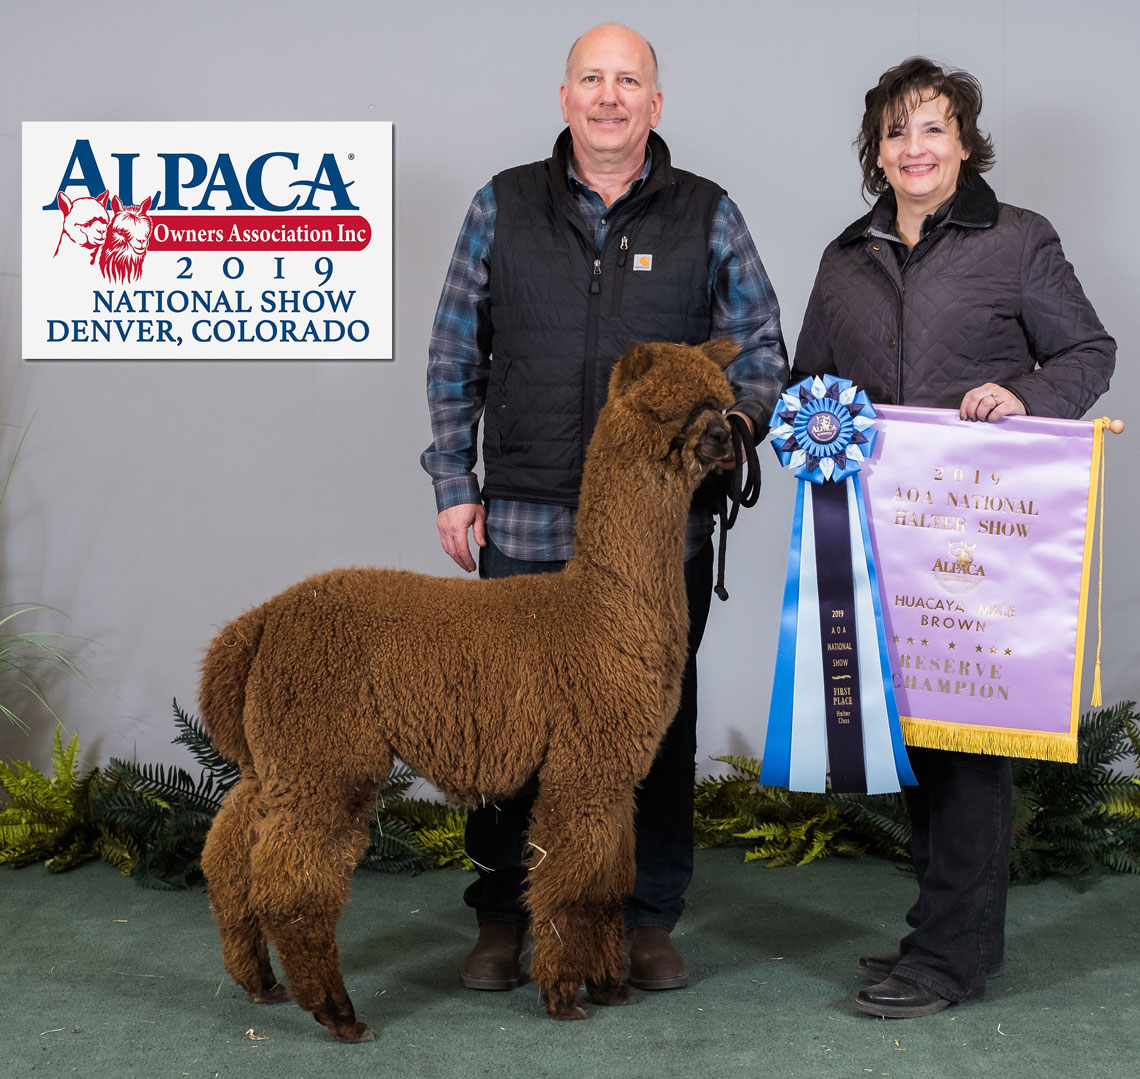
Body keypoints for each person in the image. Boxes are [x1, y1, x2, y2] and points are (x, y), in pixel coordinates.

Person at [421, 23, 787, 993]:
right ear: (564, 96)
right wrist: (456, 484)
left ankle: (644, 916)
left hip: (661, 531)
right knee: (507, 719)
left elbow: (758, 351)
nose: (611, 96)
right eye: (594, 79)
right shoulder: (501, 205)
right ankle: (505, 912)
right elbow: (455, 353)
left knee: (651, 730)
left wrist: (729, 433)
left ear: (656, 105)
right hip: (531, 515)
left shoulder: (708, 214)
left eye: (630, 81)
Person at [794, 57, 1115, 1018]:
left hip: (980, 537)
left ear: (964, 143)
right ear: (876, 153)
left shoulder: (1019, 240)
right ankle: (939, 934)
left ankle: (949, 960)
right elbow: (812, 381)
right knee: (912, 740)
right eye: (896, 132)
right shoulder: (843, 256)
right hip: (877, 536)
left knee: (970, 746)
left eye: (933, 128)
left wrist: (1025, 398)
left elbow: (1090, 351)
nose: (915, 147)